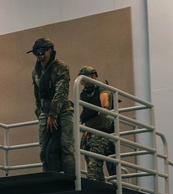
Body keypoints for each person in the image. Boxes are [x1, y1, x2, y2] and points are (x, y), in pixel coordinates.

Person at [29, 37, 73, 176]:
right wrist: (41, 113)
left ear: (49, 50)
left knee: (66, 147)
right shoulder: (36, 72)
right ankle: (48, 178)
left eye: (41, 50)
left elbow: (61, 92)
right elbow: (38, 94)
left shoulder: (61, 67)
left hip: (63, 111)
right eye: (35, 52)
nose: (38, 54)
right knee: (44, 149)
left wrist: (53, 115)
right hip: (45, 112)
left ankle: (70, 179)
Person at [77, 66, 116, 181]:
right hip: (90, 131)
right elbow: (87, 112)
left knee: (94, 164)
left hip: (101, 131)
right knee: (90, 163)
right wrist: (86, 129)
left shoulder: (102, 89)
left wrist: (104, 108)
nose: (84, 81)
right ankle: (99, 183)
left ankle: (95, 185)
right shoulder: (84, 94)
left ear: (94, 76)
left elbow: (105, 97)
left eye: (87, 77)